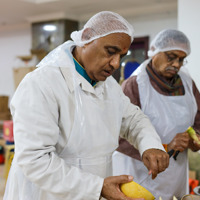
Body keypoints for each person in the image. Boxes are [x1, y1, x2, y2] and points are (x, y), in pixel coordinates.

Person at [3, 11, 169, 200]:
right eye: (110, 51)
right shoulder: (41, 83)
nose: (115, 63)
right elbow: (35, 160)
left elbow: (133, 119)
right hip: (45, 194)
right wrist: (97, 187)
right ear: (86, 37)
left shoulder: (109, 87)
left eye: (121, 56)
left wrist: (150, 145)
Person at [112, 29, 200, 200]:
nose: (176, 64)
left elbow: (199, 121)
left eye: (181, 60)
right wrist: (165, 147)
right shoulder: (135, 84)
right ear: (154, 52)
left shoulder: (188, 84)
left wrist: (194, 138)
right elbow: (119, 135)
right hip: (139, 176)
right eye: (171, 57)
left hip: (175, 175)